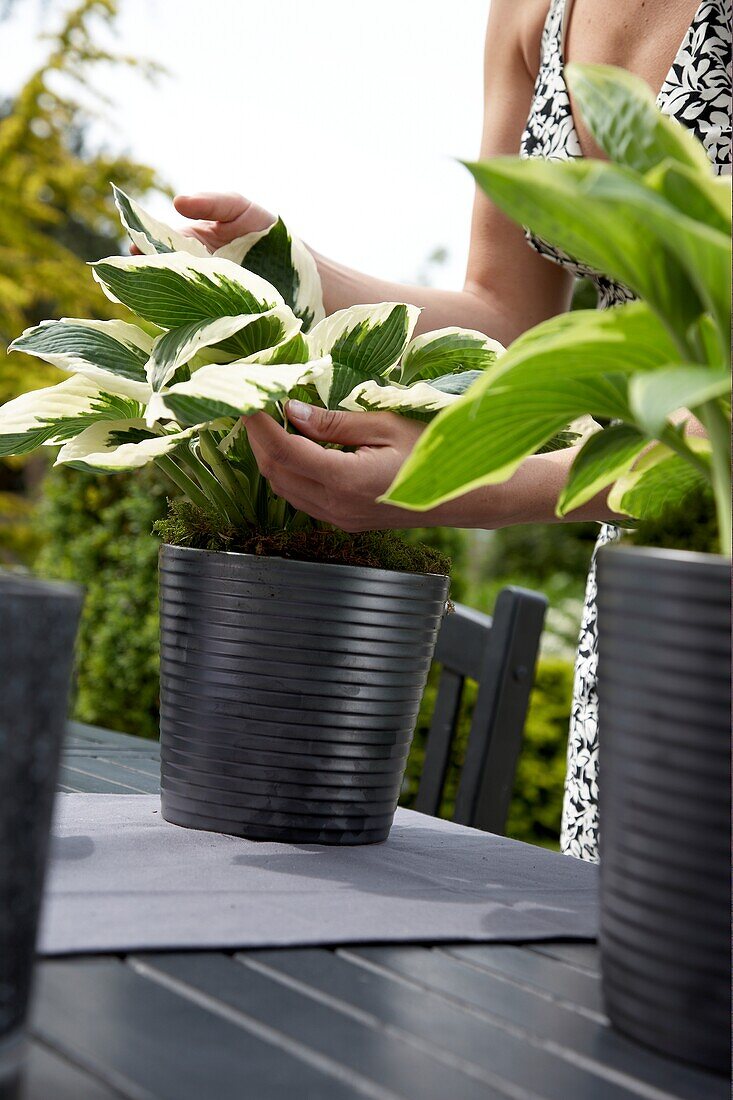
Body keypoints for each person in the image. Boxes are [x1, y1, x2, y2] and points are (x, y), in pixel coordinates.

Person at [172, 0, 732, 862]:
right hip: (642, 611)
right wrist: (281, 265)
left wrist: (474, 486)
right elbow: (500, 315)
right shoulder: (535, 11)